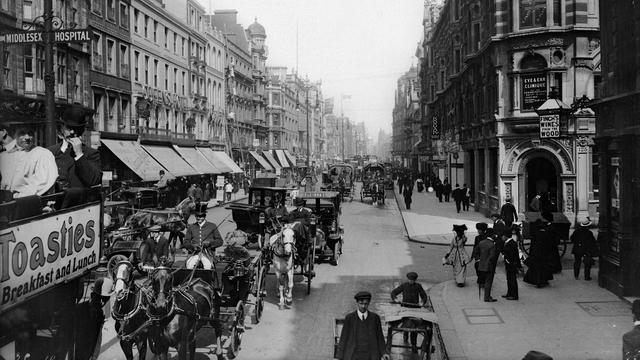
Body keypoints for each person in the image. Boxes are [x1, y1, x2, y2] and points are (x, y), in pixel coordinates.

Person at [48, 105, 102, 208]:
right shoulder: (50, 152)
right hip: (54, 211)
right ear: (62, 129)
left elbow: (93, 181)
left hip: (79, 212)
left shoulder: (91, 154)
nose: (72, 132)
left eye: (76, 129)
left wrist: (79, 154)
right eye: (69, 128)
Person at [0, 125, 58, 198]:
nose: (27, 138)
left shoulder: (42, 154)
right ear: (15, 135)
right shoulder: (4, 156)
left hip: (28, 201)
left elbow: (43, 181)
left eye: (30, 134)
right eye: (22, 133)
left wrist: (20, 195)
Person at [336, 291, 389, 360]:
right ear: (357, 303)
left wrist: (384, 352)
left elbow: (380, 337)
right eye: (361, 304)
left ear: (369, 303)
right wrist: (339, 356)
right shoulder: (350, 318)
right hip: (353, 355)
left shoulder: (375, 318)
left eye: (366, 304)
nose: (363, 306)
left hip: (370, 355)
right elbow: (343, 338)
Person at [74, 277, 113, 360]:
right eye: (99, 298)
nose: (102, 302)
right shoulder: (78, 310)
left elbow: (97, 340)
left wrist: (94, 357)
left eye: (105, 299)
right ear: (92, 295)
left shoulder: (100, 315)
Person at [390, 272, 428, 352]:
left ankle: (413, 344)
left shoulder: (418, 286)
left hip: (415, 309)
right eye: (410, 280)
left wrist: (422, 303)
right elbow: (393, 293)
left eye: (413, 280)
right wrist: (396, 299)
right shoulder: (404, 285)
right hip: (405, 309)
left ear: (415, 280)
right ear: (408, 279)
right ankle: (405, 334)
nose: (411, 281)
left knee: (414, 326)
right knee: (406, 324)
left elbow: (424, 296)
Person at [183, 203, 223, 269]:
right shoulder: (191, 227)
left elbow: (220, 241)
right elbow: (186, 242)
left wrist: (209, 244)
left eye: (201, 216)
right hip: (194, 253)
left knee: (208, 266)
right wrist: (192, 246)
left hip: (207, 254)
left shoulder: (212, 226)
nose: (199, 218)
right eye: (197, 216)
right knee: (189, 265)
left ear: (204, 216)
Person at [523, 219, 553, 288]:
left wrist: (531, 254)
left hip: (536, 253)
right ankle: (544, 280)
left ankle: (537, 281)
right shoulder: (546, 234)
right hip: (544, 254)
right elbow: (549, 244)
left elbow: (532, 245)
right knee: (544, 267)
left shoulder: (535, 234)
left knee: (536, 268)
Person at [472, 227, 498, 302]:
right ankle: (487, 297)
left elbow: (475, 252)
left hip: (481, 265)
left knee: (484, 280)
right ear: (492, 235)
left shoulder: (481, 242)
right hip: (489, 267)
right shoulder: (492, 245)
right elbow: (492, 257)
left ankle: (486, 296)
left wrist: (478, 259)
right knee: (488, 282)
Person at [501, 225, 522, 300]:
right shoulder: (509, 242)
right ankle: (509, 293)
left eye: (503, 236)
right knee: (509, 279)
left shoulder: (511, 244)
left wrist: (505, 258)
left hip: (511, 265)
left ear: (506, 236)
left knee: (512, 280)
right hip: (509, 264)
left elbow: (512, 255)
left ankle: (514, 295)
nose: (502, 237)